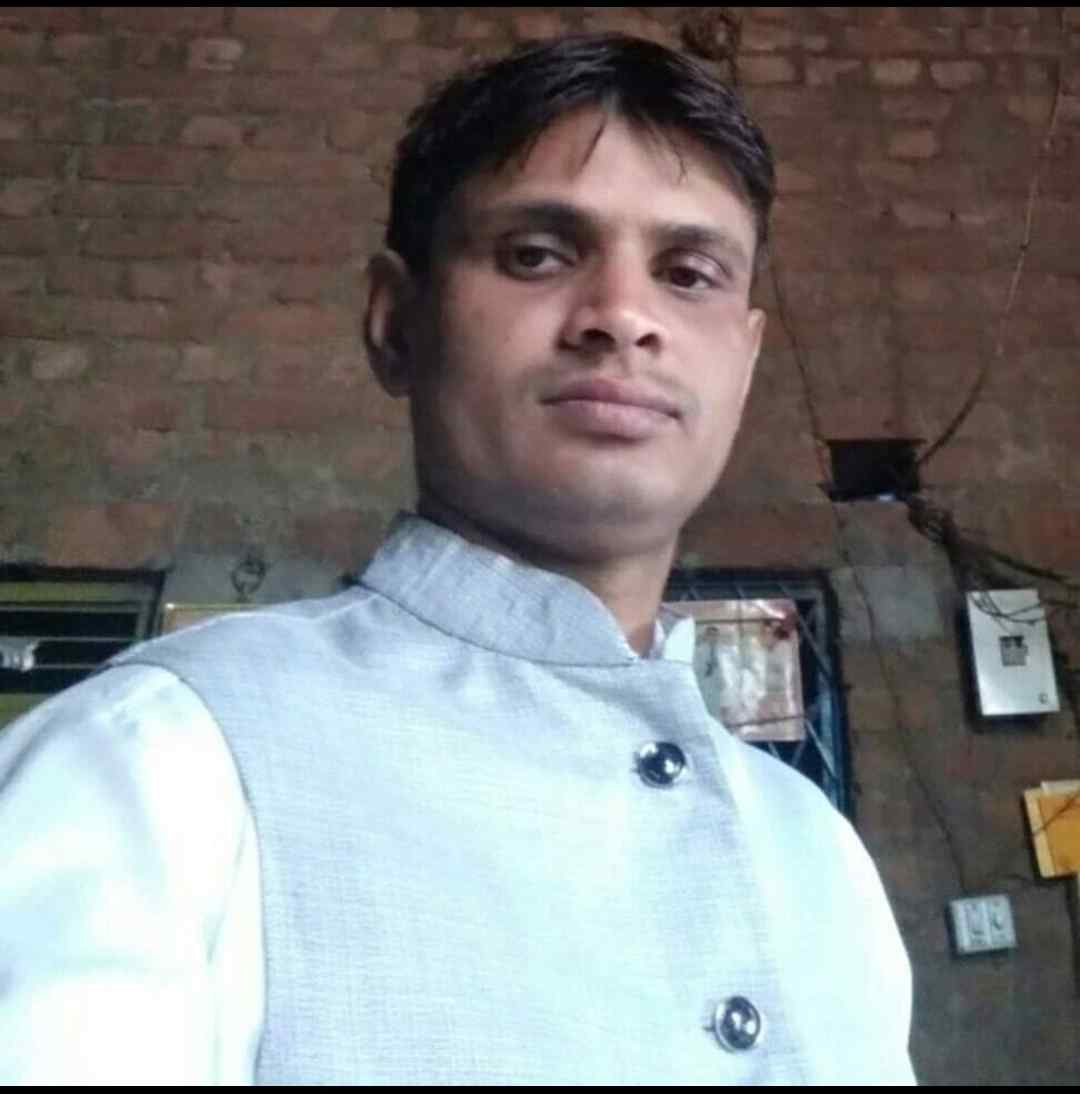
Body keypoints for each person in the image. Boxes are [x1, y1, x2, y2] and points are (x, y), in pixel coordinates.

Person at [0, 34, 914, 1084]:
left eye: (689, 273)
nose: (624, 316)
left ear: (744, 363)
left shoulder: (815, 854)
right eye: (537, 253)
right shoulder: (155, 769)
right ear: (396, 321)